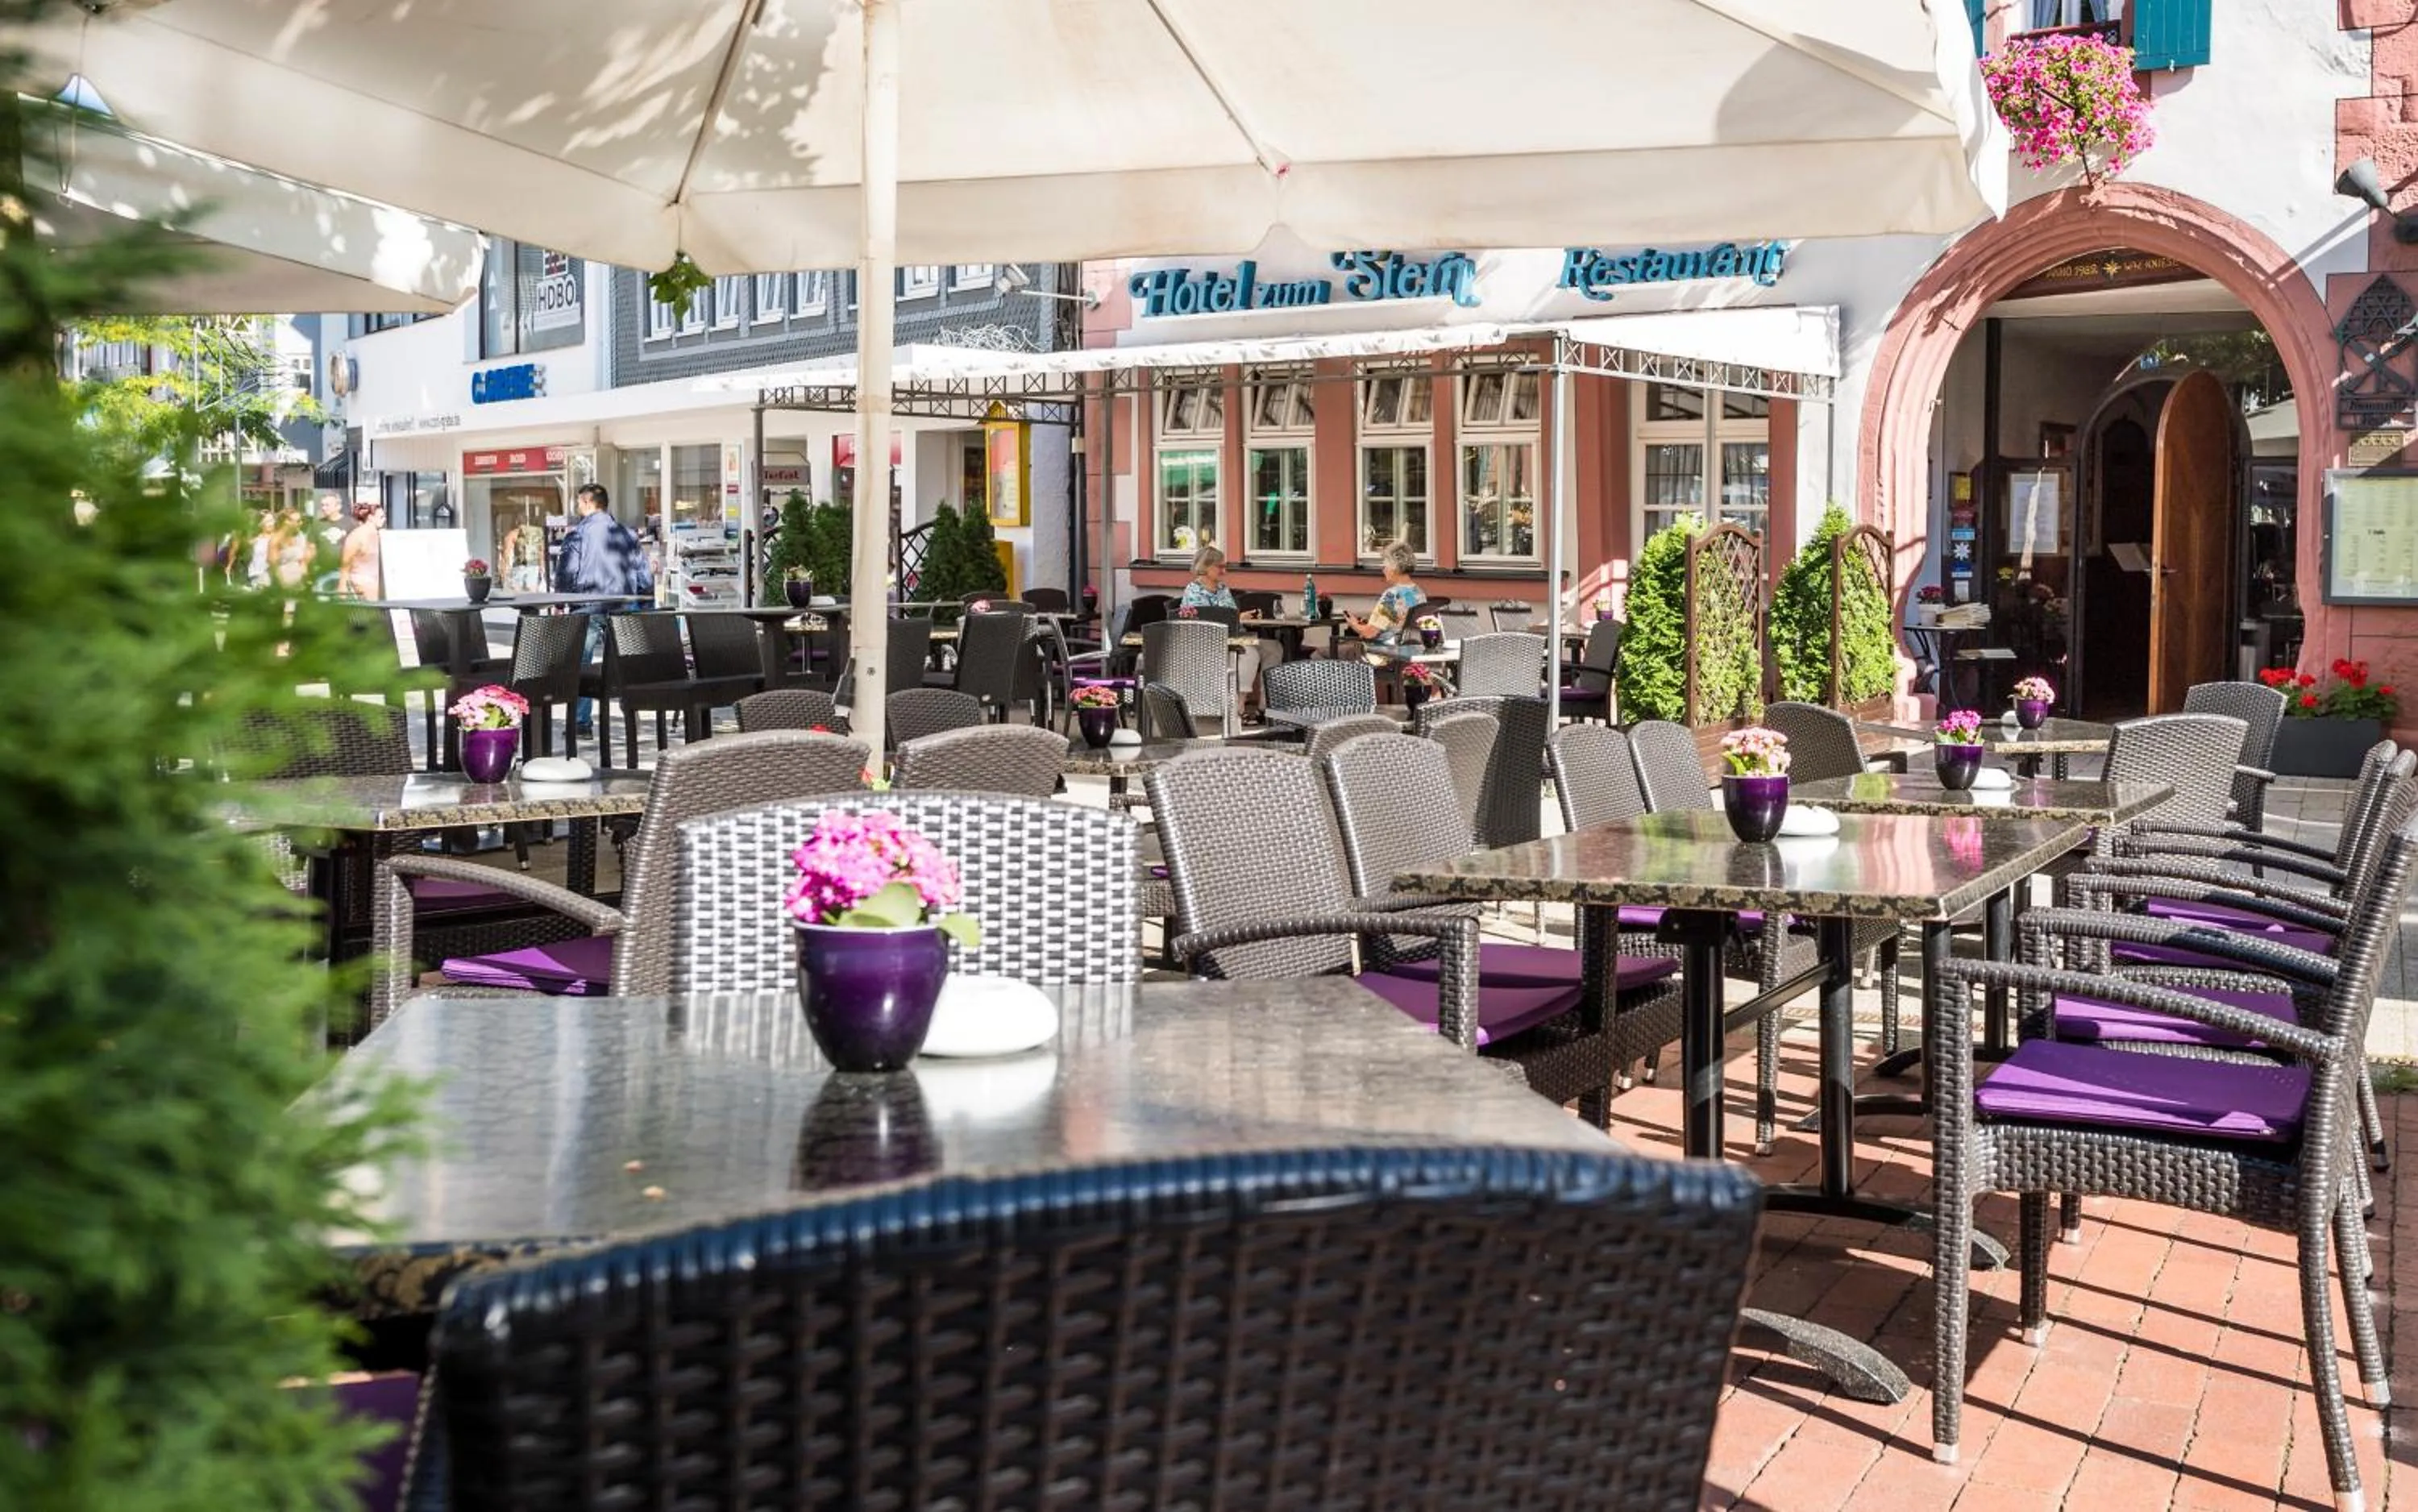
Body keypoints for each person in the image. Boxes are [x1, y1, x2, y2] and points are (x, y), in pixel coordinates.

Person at [557, 483, 654, 735]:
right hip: (623, 607)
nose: (577, 507)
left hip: (587, 606)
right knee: (624, 664)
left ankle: (581, 723)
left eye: (579, 502)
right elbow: (643, 576)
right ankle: (632, 714)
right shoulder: (627, 534)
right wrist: (644, 604)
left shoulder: (577, 535)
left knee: (580, 664)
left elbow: (567, 572)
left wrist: (560, 602)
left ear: (588, 503)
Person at [1179, 543, 1269, 717]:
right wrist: (1237, 618)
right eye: (1220, 567)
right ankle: (1238, 707)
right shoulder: (1194, 591)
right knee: (1249, 653)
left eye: (1225, 566)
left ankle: (1266, 707)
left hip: (1235, 637)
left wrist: (1243, 617)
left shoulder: (1222, 589)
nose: (1224, 571)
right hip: (1209, 643)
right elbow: (1203, 620)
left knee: (1274, 648)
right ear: (1205, 567)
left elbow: (1230, 614)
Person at [1343, 539, 1427, 646]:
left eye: (1385, 566)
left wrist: (1354, 624)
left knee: (1321, 653)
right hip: (1408, 651)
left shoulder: (1391, 596)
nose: (1383, 571)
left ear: (1394, 568)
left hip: (1383, 654)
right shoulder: (1419, 592)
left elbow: (1370, 633)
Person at [337, 503, 384, 600]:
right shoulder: (356, 536)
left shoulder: (380, 535)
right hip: (362, 582)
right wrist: (342, 587)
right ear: (370, 517)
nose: (384, 520)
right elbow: (345, 563)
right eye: (381, 517)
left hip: (377, 581)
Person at [269, 506, 316, 591]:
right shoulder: (276, 540)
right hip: (284, 584)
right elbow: (274, 566)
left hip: (301, 583)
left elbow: (305, 560)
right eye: (298, 521)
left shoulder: (300, 536)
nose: (301, 523)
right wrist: (283, 586)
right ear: (287, 522)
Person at [500, 514, 549, 592]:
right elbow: (541, 551)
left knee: (518, 593)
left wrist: (504, 570)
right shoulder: (536, 533)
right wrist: (542, 566)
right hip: (533, 566)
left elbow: (507, 554)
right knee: (532, 593)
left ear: (516, 522)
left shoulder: (514, 534)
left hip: (520, 566)